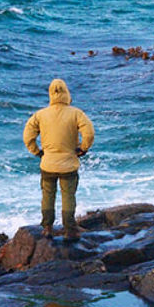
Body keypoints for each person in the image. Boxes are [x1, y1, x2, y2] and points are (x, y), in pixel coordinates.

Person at [23, 77, 95, 239]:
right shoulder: (76, 113)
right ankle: (70, 229)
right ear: (67, 94)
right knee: (68, 195)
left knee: (48, 195)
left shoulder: (40, 115)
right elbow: (89, 133)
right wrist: (82, 149)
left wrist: (37, 152)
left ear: (50, 94)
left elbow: (28, 136)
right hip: (69, 164)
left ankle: (47, 228)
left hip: (47, 164)